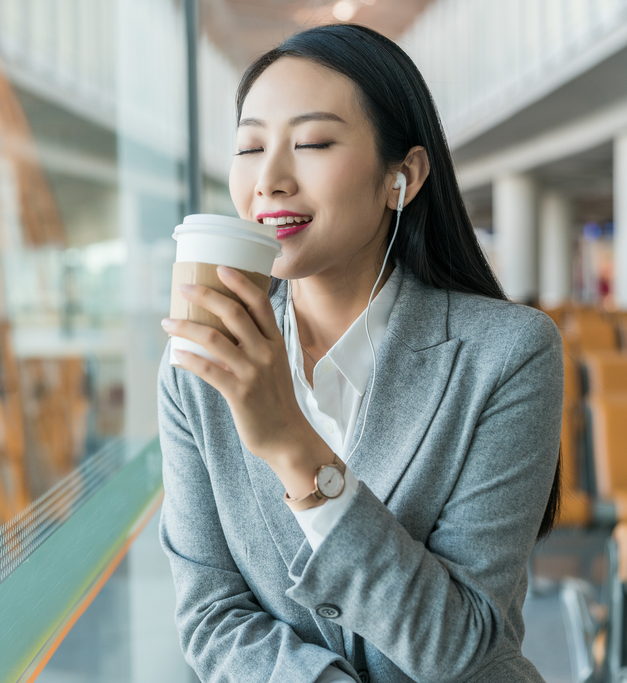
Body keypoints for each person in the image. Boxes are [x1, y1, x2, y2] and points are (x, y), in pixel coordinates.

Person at [156, 24, 562, 683]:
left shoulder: (508, 354)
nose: (270, 180)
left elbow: (464, 647)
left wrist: (293, 444)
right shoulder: (200, 363)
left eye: (312, 142)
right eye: (250, 146)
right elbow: (210, 614)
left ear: (402, 176)